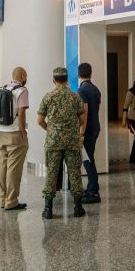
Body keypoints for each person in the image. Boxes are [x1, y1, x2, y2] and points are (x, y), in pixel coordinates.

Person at [38, 67, 87, 219]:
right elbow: (82, 119)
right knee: (74, 173)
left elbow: (40, 120)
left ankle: (48, 210)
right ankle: (78, 208)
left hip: (53, 142)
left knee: (51, 173)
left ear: (53, 80)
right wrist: (75, 131)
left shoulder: (48, 97)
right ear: (67, 80)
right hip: (72, 141)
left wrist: (51, 130)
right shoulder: (75, 97)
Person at [0, 66, 29, 211]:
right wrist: (23, 132)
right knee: (14, 167)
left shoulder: (2, 88)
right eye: (26, 76)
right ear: (23, 76)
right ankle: (12, 201)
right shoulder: (22, 90)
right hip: (15, 132)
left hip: (1, 131)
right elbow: (21, 113)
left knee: (4, 164)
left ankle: (2, 199)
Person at [78, 63, 102, 204]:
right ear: (90, 73)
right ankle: (92, 187)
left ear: (79, 74)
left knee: (87, 160)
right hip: (95, 127)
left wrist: (81, 133)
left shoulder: (82, 90)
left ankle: (93, 191)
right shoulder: (95, 89)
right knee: (90, 158)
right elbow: (96, 109)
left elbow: (84, 113)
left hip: (87, 129)